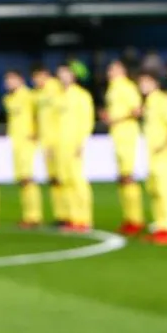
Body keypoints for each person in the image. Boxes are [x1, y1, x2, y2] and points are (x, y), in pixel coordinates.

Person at [100, 59, 144, 236]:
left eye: (113, 68)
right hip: (117, 136)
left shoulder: (127, 87)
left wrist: (115, 119)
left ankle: (136, 219)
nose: (109, 70)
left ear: (123, 70)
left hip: (127, 135)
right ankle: (129, 218)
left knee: (128, 177)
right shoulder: (113, 87)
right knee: (122, 178)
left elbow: (137, 110)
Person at [137, 70, 167, 245]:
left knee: (165, 192)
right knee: (155, 191)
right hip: (153, 155)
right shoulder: (150, 102)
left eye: (146, 81)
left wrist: (166, 144)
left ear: (155, 82)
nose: (142, 85)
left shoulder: (162, 99)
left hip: (163, 155)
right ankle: (161, 226)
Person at [55, 64, 95, 232]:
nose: (63, 76)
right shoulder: (59, 97)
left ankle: (84, 218)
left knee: (78, 181)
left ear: (73, 75)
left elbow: (87, 120)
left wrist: (81, 142)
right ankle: (72, 217)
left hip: (74, 144)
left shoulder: (81, 95)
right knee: (66, 181)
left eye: (66, 73)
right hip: (61, 145)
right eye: (60, 73)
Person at [2, 69, 42, 228]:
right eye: (7, 80)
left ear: (21, 80)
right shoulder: (9, 99)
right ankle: (28, 215)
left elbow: (39, 114)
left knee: (28, 179)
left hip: (27, 141)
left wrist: (36, 132)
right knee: (22, 180)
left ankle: (34, 215)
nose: (8, 83)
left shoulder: (29, 96)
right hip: (16, 142)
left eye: (11, 79)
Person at [32, 64, 67, 227]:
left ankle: (70, 214)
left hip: (59, 139)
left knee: (63, 178)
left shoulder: (56, 87)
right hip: (46, 141)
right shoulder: (38, 94)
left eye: (39, 76)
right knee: (53, 179)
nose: (37, 80)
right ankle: (60, 214)